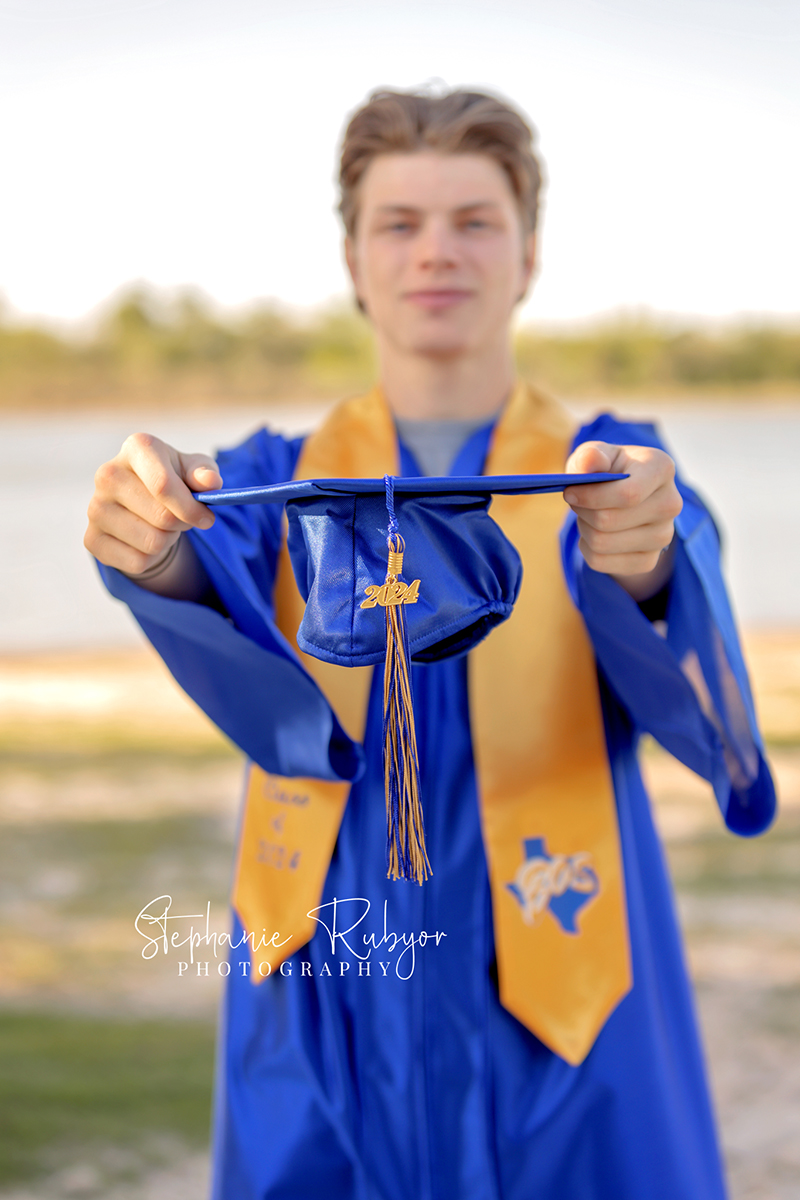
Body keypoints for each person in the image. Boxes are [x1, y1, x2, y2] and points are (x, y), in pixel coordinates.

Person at [85, 89, 775, 1199]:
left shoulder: (604, 471)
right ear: (354, 259)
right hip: (328, 959)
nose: (435, 253)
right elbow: (205, 574)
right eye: (398, 223)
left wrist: (641, 552)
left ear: (529, 254)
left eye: (474, 220)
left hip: (559, 964)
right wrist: (147, 543)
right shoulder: (272, 476)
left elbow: (666, 591)